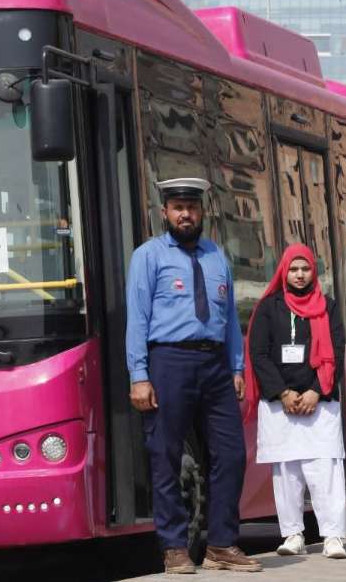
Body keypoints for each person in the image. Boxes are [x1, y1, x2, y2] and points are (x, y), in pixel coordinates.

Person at [125, 177, 261, 575]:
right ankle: (174, 547)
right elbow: (137, 319)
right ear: (164, 212)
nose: (186, 214)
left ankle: (221, 544)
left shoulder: (216, 256)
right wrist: (139, 375)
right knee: (165, 455)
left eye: (192, 207)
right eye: (178, 208)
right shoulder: (148, 256)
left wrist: (236, 367)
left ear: (202, 212)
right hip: (169, 361)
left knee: (231, 453)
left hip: (215, 365)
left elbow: (230, 319)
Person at [245, 244, 346, 559]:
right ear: (284, 272)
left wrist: (316, 391)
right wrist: (283, 393)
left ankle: (332, 537)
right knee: (287, 474)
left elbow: (337, 353)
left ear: (313, 272)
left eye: (305, 269)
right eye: (293, 269)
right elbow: (258, 354)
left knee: (325, 471)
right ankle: (293, 535)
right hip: (282, 406)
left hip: (320, 404)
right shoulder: (268, 308)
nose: (300, 275)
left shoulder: (328, 307)